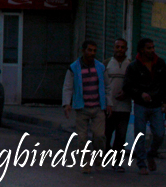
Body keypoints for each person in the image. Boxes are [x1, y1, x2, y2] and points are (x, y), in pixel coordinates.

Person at [62, 39, 109, 174]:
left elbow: (107, 87)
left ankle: (99, 160)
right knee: (82, 138)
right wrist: (67, 104)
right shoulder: (74, 67)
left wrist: (108, 103)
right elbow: (68, 87)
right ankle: (85, 163)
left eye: (94, 51)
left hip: (98, 107)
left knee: (99, 136)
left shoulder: (100, 67)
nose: (92, 53)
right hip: (82, 108)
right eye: (89, 50)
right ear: (83, 51)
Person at [125, 37, 166, 175]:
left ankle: (151, 154)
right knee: (140, 135)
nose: (152, 50)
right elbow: (128, 86)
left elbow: (164, 84)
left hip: (156, 105)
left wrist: (164, 101)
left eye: (153, 47)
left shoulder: (160, 63)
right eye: (149, 48)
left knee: (160, 134)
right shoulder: (134, 66)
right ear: (142, 49)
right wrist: (140, 94)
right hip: (141, 105)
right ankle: (141, 164)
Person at [106, 38, 132, 171]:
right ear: (114, 48)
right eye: (118, 47)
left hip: (124, 107)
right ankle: (105, 155)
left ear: (126, 49)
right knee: (106, 134)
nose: (120, 50)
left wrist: (127, 93)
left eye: (122, 47)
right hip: (109, 106)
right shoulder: (107, 64)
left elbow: (135, 84)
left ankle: (117, 162)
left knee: (121, 136)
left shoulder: (131, 65)